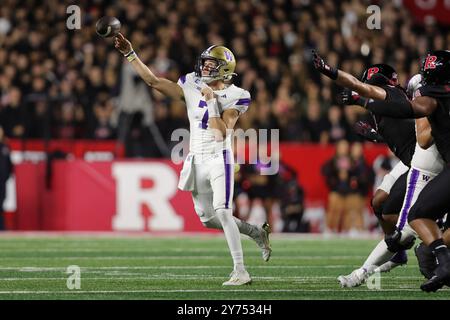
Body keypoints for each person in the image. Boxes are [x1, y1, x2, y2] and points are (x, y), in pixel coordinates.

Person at [114, 33, 271, 286]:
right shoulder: (190, 83)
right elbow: (153, 81)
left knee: (223, 210)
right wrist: (130, 54)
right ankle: (255, 232)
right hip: (196, 158)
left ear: (225, 69)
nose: (205, 67)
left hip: (220, 157)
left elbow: (221, 133)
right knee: (209, 219)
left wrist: (211, 102)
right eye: (205, 62)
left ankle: (240, 270)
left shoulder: (238, 95)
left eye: (211, 64)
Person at [355, 50, 450, 292]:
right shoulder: (417, 95)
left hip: (428, 163)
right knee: (386, 207)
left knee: (413, 226)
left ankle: (365, 270)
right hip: (416, 162)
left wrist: (362, 98)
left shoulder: (420, 95)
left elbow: (423, 138)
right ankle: (410, 254)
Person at [0, 126, 13, 230]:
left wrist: (7, 175)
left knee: (1, 202)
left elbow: (9, 164)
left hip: (2, 180)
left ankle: (1, 227)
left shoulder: (5, 147)